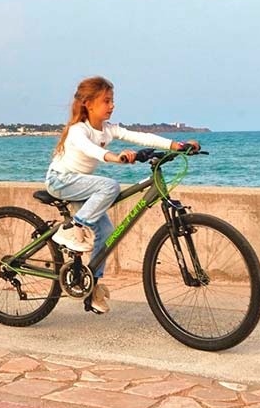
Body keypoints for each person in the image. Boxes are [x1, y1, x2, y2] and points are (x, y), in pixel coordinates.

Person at [46, 76, 198, 315]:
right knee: (110, 186)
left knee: (105, 231)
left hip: (81, 185)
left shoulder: (108, 130)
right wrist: (115, 158)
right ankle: (72, 228)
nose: (112, 105)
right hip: (60, 180)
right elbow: (92, 150)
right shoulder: (78, 130)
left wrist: (175, 145)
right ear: (88, 103)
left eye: (112, 100)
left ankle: (91, 287)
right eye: (106, 100)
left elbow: (141, 137)